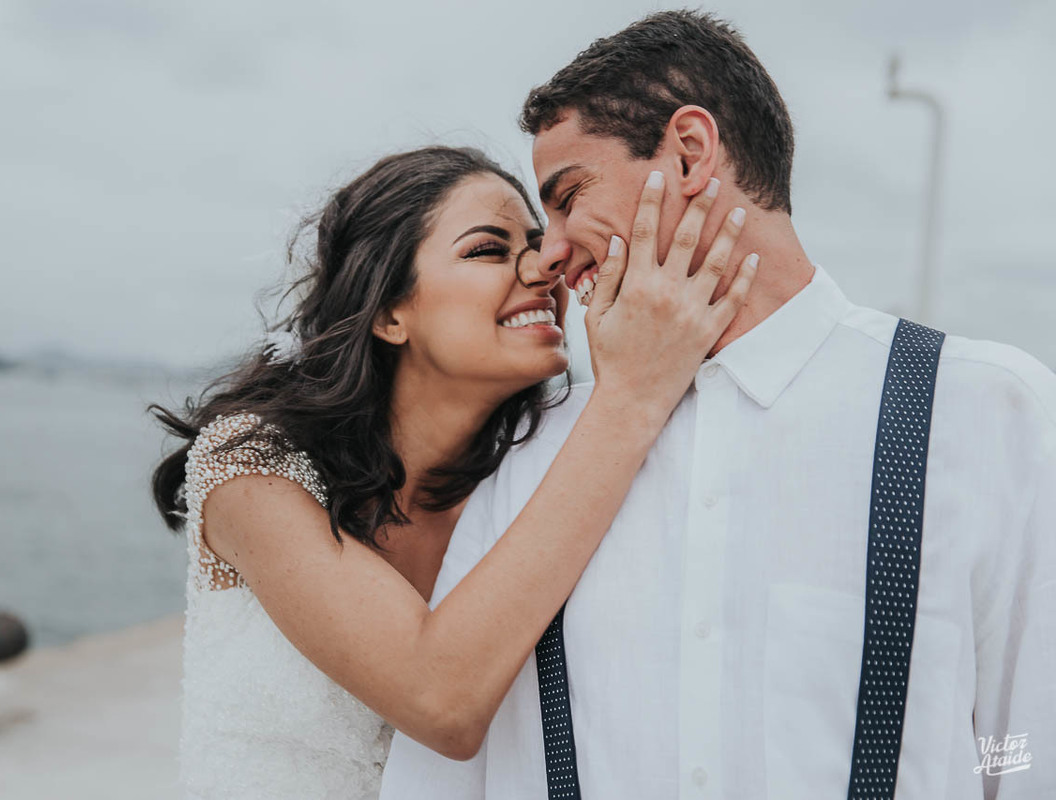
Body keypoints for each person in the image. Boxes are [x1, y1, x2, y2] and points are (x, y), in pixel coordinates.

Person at [381, 10, 1055, 800]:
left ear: (690, 153)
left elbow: (1026, 745)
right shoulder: (529, 463)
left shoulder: (986, 412)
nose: (551, 252)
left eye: (568, 198)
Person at [150, 145, 757, 798]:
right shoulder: (251, 465)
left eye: (537, 243)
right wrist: (633, 394)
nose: (544, 265)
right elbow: (441, 699)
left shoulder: (535, 473)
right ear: (389, 312)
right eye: (489, 250)